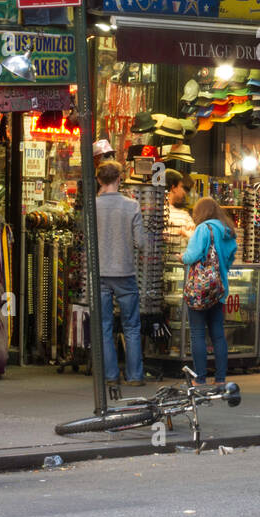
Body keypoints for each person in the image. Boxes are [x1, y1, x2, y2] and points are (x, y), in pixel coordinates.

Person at [94, 160, 146, 387]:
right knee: (131, 326)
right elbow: (141, 242)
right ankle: (134, 376)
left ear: (99, 180)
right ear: (119, 179)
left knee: (104, 325)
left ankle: (110, 375)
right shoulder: (131, 206)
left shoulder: (91, 205)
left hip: (100, 272)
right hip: (124, 271)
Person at [181, 197, 237, 386]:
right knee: (218, 333)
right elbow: (230, 257)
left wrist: (181, 256)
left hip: (200, 290)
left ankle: (200, 378)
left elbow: (192, 256)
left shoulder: (203, 229)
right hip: (219, 289)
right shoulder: (227, 230)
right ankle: (220, 378)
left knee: (197, 333)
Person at [163, 168, 195, 257]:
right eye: (182, 187)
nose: (185, 193)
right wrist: (182, 232)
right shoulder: (183, 215)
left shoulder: (184, 215)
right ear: (173, 188)